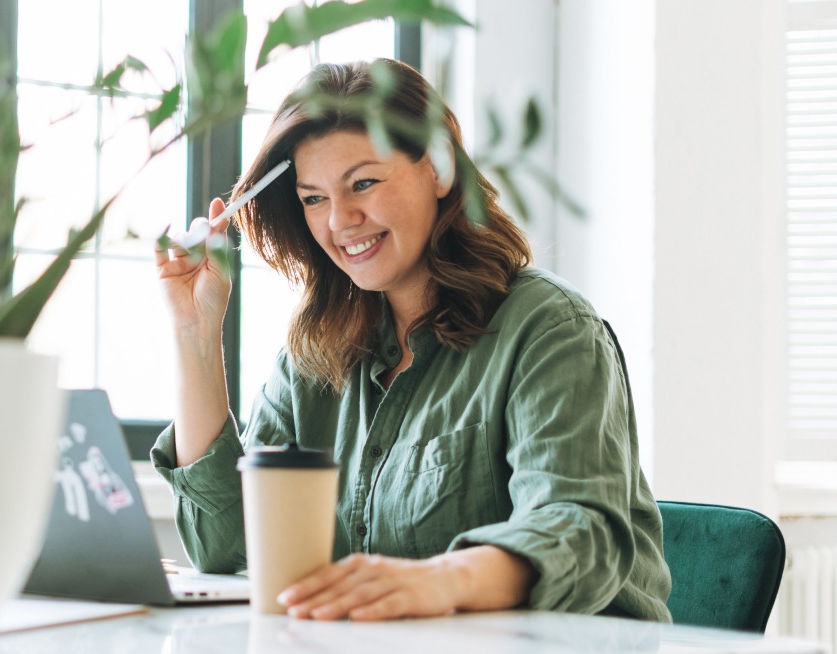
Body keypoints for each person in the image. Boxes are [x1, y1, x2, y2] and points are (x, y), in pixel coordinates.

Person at [151, 58, 672, 625]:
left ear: (440, 169)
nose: (341, 220)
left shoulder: (549, 328)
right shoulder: (315, 352)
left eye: (364, 183)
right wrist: (195, 332)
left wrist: (439, 582)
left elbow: (580, 533)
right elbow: (227, 545)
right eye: (313, 198)